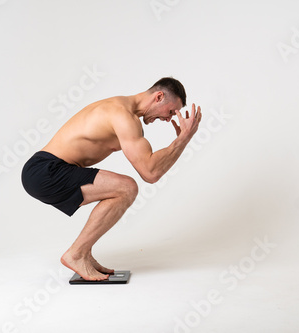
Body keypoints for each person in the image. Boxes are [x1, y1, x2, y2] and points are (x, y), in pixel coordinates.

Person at [21, 77, 202, 281]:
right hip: (46, 170)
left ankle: (84, 254)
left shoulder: (122, 108)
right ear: (158, 97)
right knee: (126, 188)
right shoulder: (123, 116)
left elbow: (152, 168)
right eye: (170, 112)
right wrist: (183, 139)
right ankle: (76, 254)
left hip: (45, 168)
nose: (169, 119)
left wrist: (180, 141)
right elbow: (150, 173)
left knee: (122, 189)